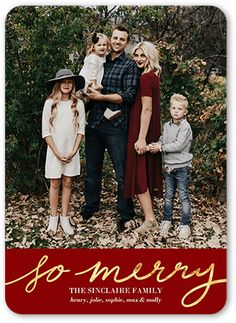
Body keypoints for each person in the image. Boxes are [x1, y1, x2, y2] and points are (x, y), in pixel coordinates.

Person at [82, 25, 140, 233]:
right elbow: (86, 85)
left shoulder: (130, 66)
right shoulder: (98, 60)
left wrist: (102, 97)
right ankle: (91, 206)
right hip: (95, 123)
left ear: (126, 43)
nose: (116, 42)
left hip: (116, 126)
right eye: (114, 38)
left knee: (122, 172)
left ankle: (125, 214)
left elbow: (128, 95)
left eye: (121, 39)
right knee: (92, 170)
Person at [124, 41, 163, 235]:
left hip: (143, 130)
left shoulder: (147, 78)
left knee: (139, 173)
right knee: (145, 171)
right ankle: (150, 215)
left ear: (150, 57)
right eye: (136, 55)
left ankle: (150, 219)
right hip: (147, 128)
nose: (139, 59)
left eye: (142, 55)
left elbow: (147, 108)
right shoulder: (151, 76)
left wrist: (141, 138)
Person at [42, 68, 85, 235]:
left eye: (70, 82)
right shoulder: (50, 103)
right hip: (55, 151)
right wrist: (57, 152)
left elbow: (81, 130)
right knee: (55, 183)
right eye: (63, 82)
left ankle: (65, 218)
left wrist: (74, 150)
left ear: (73, 85)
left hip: (71, 151)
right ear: (58, 84)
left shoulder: (78, 104)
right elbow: (46, 131)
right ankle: (53, 219)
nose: (66, 85)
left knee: (68, 183)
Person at [149, 93, 193, 239]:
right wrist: (156, 144)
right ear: (170, 109)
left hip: (181, 167)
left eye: (179, 109)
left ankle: (185, 224)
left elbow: (178, 145)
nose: (176, 111)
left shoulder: (185, 127)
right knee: (168, 196)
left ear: (185, 112)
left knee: (183, 195)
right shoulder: (167, 125)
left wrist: (161, 148)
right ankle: (167, 220)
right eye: (173, 107)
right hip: (169, 167)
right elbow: (163, 138)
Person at [79, 32, 120, 120]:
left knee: (94, 101)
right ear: (93, 46)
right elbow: (92, 74)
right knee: (99, 97)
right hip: (88, 82)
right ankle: (107, 112)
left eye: (104, 45)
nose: (102, 47)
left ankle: (81, 115)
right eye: (99, 45)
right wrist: (94, 86)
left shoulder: (100, 56)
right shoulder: (94, 58)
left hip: (89, 82)